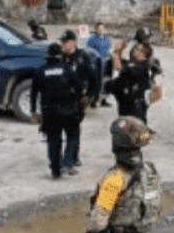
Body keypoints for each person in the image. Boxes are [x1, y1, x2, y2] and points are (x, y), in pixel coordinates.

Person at [30, 42, 84, 179]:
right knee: (73, 136)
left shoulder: (41, 70)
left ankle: (56, 169)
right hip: (68, 110)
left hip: (49, 111)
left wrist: (33, 110)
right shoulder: (67, 69)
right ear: (60, 55)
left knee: (53, 139)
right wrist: (79, 102)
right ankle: (68, 162)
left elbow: (33, 92)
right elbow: (79, 87)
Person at [60, 29, 100, 168]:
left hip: (77, 99)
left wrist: (91, 96)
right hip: (61, 98)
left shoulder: (83, 57)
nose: (64, 45)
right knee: (68, 130)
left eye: (66, 42)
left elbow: (94, 78)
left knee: (73, 129)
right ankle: (73, 157)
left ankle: (69, 160)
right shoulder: (60, 57)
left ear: (73, 42)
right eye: (63, 42)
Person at [112, 40, 156, 125]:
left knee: (131, 129)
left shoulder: (142, 69)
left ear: (144, 55)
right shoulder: (134, 63)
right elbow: (121, 62)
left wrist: (116, 51)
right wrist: (121, 50)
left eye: (138, 50)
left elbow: (118, 67)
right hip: (126, 105)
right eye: (135, 48)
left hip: (135, 109)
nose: (134, 51)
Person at [86, 22, 114, 108]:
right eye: (99, 29)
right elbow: (89, 50)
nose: (100, 30)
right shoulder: (92, 39)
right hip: (97, 63)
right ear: (96, 29)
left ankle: (103, 100)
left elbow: (109, 49)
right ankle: (93, 100)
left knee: (106, 80)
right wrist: (95, 57)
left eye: (102, 28)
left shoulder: (107, 39)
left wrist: (110, 55)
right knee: (96, 82)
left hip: (106, 63)